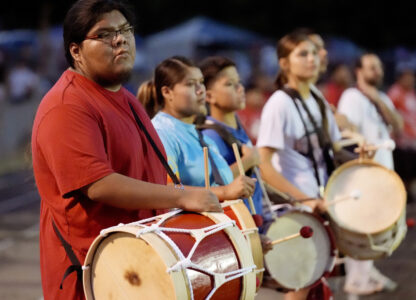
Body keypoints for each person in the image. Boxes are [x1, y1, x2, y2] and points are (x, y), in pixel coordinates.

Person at [31, 2, 220, 300]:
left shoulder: (127, 99)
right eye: (104, 34)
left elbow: (151, 177)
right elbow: (98, 184)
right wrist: (184, 196)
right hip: (94, 276)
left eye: (124, 30)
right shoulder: (66, 106)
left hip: (139, 267)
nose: (119, 40)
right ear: (76, 51)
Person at [257, 31, 341, 300]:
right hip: (298, 209)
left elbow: (334, 150)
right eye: (302, 54)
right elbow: (265, 165)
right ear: (284, 63)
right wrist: (303, 198)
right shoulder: (279, 104)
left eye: (314, 53)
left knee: (317, 283)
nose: (312, 59)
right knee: (301, 284)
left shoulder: (316, 96)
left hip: (321, 202)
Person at [137, 56, 256, 202]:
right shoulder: (160, 132)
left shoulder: (201, 136)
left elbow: (220, 183)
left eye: (201, 83)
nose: (200, 91)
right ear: (167, 92)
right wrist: (224, 191)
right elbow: (164, 189)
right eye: (190, 84)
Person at [338, 53, 403, 295]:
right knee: (362, 226)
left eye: (379, 67)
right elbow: (349, 132)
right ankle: (355, 280)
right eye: (371, 67)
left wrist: (378, 99)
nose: (377, 71)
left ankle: (365, 273)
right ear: (358, 70)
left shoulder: (382, 96)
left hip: (384, 172)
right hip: (364, 172)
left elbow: (397, 125)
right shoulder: (352, 97)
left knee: (376, 225)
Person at [388, 67, 416, 202]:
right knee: (403, 172)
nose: (410, 80)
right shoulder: (395, 93)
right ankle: (401, 196)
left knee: (411, 171)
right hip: (401, 142)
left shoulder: (411, 93)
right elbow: (390, 117)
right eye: (407, 76)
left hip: (412, 140)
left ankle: (408, 194)